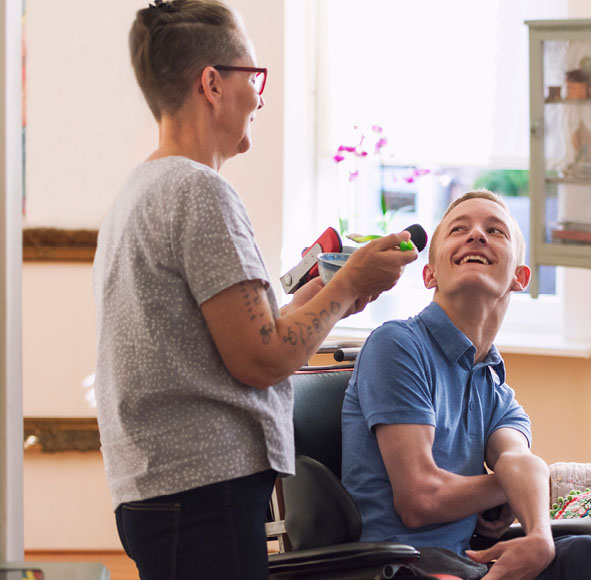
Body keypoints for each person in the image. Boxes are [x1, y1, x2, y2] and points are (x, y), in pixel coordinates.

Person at [92, 1, 417, 579]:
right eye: (254, 77)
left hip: (163, 487)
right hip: (203, 491)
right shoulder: (200, 194)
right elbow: (263, 358)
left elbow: (229, 341)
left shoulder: (138, 191)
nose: (261, 97)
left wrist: (318, 299)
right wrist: (346, 285)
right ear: (212, 83)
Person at [341, 190, 591, 580]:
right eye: (459, 229)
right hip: (401, 567)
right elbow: (419, 499)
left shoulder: (496, 388)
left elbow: (521, 462)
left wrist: (539, 536)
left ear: (520, 277)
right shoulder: (397, 345)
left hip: (466, 563)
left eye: (495, 230)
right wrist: (507, 486)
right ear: (429, 273)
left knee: (583, 554)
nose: (476, 235)